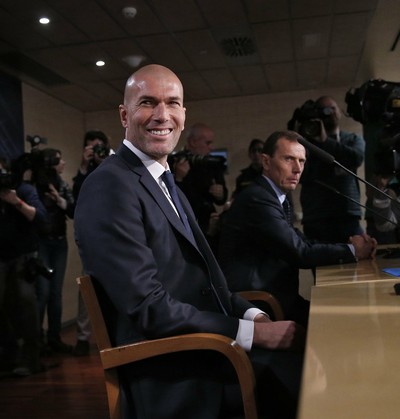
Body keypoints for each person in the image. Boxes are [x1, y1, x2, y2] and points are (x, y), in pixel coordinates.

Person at [74, 64, 307, 419]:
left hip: (209, 349)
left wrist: (254, 317)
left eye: (172, 103)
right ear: (124, 114)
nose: (162, 115)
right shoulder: (109, 185)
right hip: (174, 371)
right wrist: (253, 335)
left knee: (313, 364)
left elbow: (209, 285)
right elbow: (149, 308)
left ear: (184, 114)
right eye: (148, 103)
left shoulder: (166, 182)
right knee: (309, 384)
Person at [218, 130, 377, 328]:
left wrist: (347, 246)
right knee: (343, 322)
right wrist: (353, 251)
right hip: (260, 304)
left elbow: (301, 240)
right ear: (266, 162)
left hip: (280, 297)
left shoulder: (278, 196)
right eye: (288, 159)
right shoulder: (257, 199)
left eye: (302, 161)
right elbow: (300, 253)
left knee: (346, 313)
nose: (297, 169)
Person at [0, 155, 49, 376]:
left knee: (26, 309)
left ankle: (31, 360)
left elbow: (41, 219)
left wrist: (15, 202)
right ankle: (9, 358)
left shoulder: (22, 190)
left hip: (22, 260)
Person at [298, 96, 365, 243]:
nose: (330, 113)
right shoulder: (305, 144)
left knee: (356, 258)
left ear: (340, 112)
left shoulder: (352, 139)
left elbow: (356, 158)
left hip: (347, 214)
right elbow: (301, 175)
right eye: (324, 110)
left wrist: (325, 141)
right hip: (316, 217)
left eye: (333, 108)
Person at [72, 130, 112, 356]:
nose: (96, 152)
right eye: (91, 147)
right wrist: (83, 167)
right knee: (87, 286)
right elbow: (76, 199)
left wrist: (105, 162)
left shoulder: (114, 165)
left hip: (114, 234)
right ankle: (82, 337)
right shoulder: (84, 172)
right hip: (91, 237)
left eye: (99, 147)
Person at [34, 148, 75, 354]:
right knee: (42, 292)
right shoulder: (35, 185)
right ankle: (36, 342)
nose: (63, 163)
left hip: (59, 243)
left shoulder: (61, 184)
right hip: (41, 243)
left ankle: (54, 338)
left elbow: (72, 210)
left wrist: (59, 198)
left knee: (55, 293)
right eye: (59, 160)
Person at [170, 122, 228, 237]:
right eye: (207, 143)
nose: (211, 147)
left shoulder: (211, 163)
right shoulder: (173, 162)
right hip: (185, 221)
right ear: (193, 142)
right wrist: (178, 179)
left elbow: (222, 198)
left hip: (210, 221)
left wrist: (220, 194)